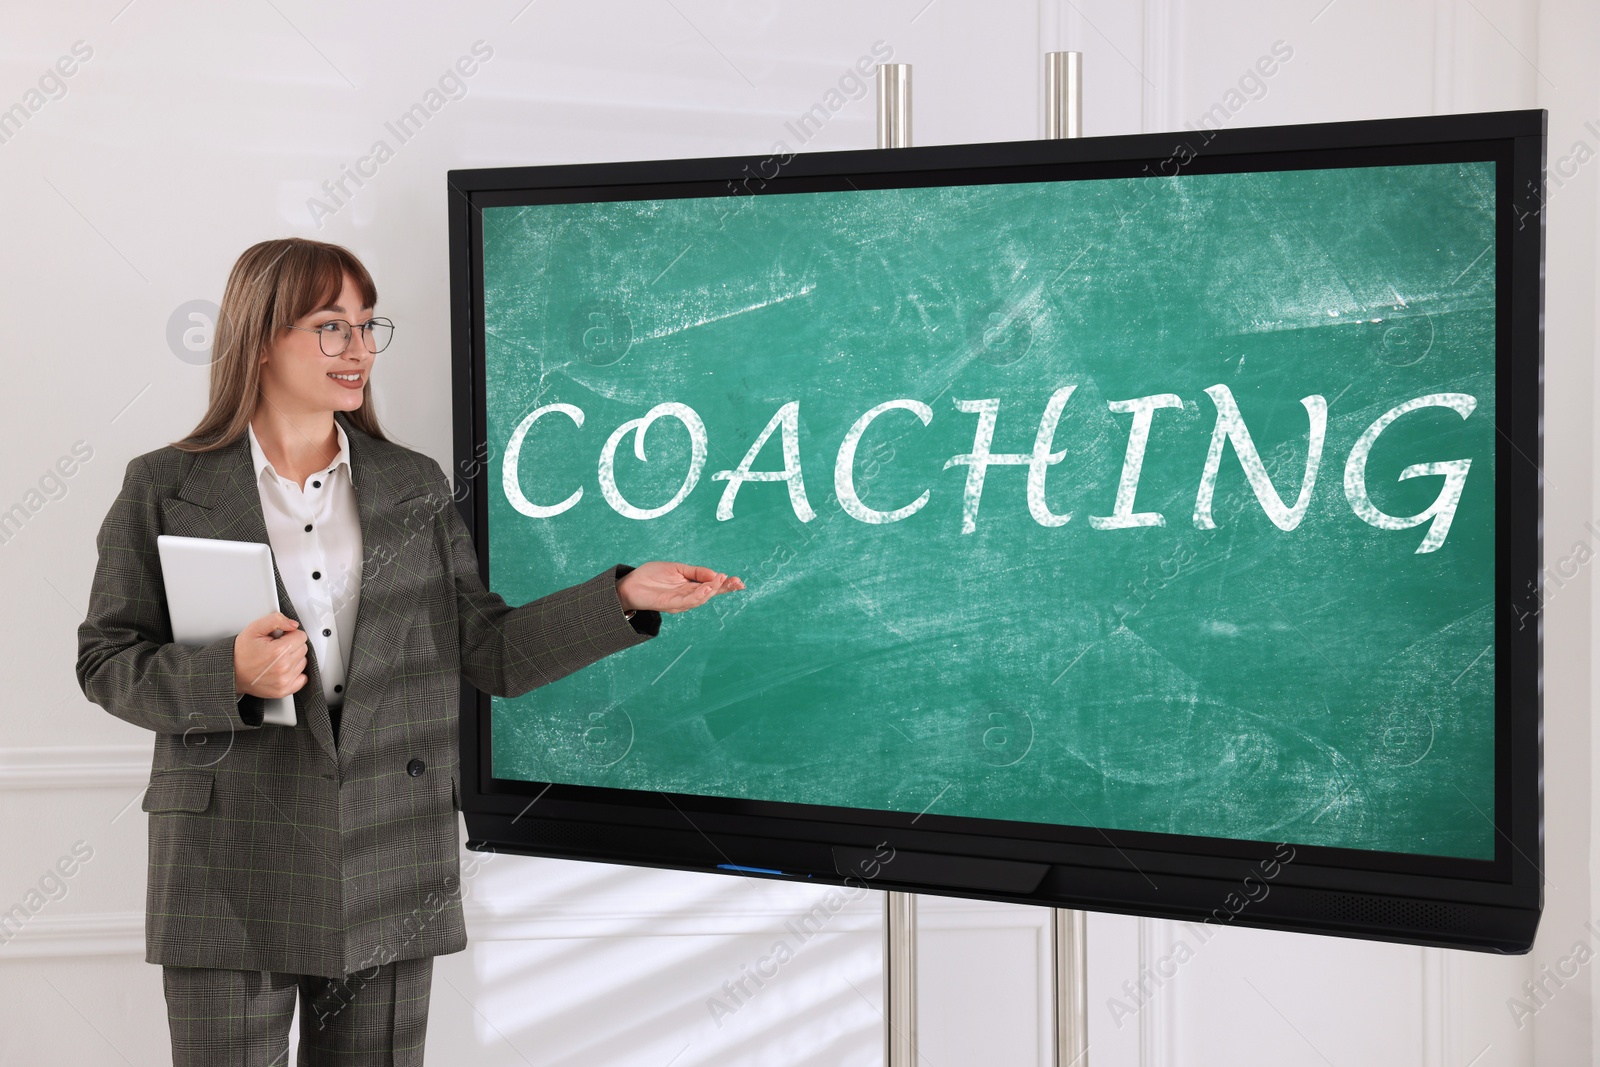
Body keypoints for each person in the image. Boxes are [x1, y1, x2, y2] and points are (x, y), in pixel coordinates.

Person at [75, 237, 744, 1066]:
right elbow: (106, 659)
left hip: (390, 849)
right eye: (330, 327)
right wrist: (229, 675)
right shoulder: (164, 485)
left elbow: (489, 651)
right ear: (259, 337)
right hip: (226, 860)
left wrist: (622, 597)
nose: (357, 350)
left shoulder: (413, 484)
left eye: (366, 325)